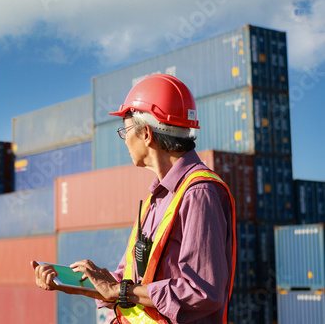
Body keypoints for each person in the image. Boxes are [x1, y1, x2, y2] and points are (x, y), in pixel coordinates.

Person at [31, 74, 236, 324]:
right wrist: (74, 284)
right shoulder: (157, 198)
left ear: (146, 134)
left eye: (125, 130)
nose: (125, 139)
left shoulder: (199, 193)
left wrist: (121, 291)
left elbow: (203, 292)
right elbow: (129, 283)